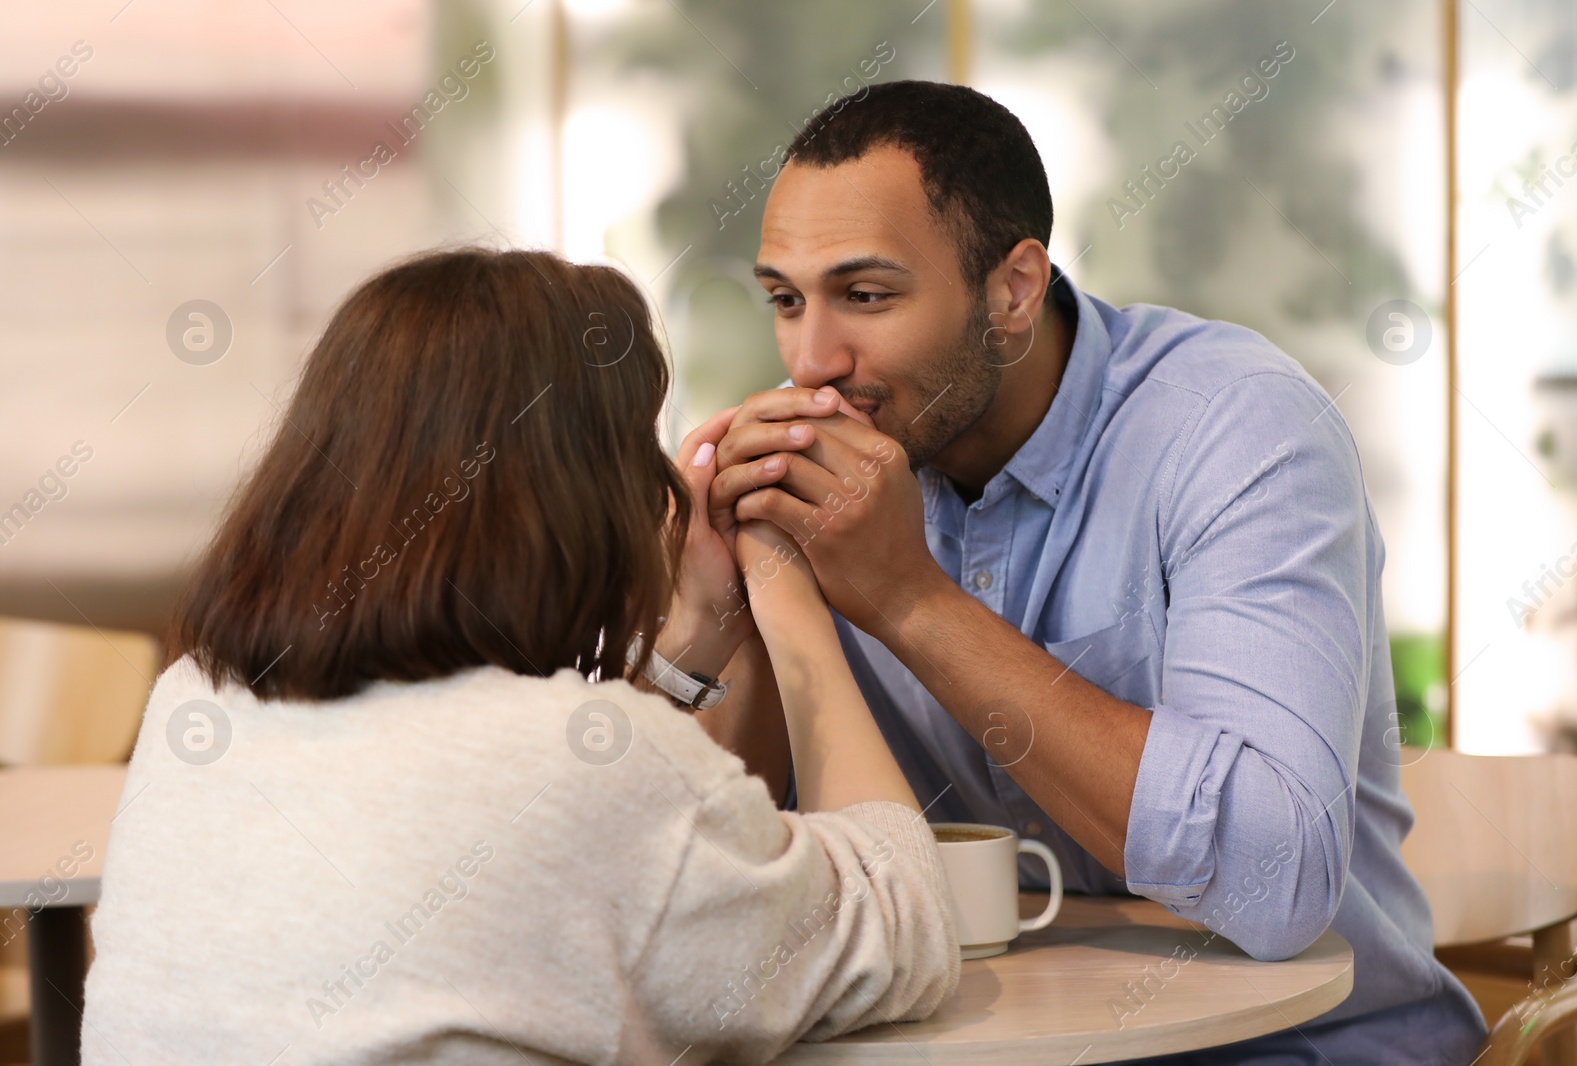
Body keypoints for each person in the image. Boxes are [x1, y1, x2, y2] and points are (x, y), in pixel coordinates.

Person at [655, 80, 1489, 1063]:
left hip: (1304, 1047)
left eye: (866, 296)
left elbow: (1275, 880)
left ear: (1011, 289)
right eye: (787, 301)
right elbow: (698, 892)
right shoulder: (821, 476)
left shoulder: (1237, 430)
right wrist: (712, 614)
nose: (813, 359)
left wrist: (910, 600)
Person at [80, 248, 960, 1065]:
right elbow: (903, 926)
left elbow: (582, 821)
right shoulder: (581, 767)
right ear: (576, 493)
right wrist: (783, 590)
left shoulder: (195, 703)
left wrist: (690, 639)